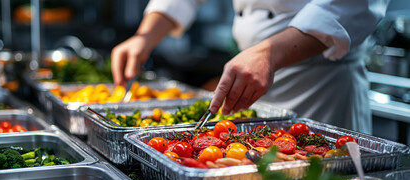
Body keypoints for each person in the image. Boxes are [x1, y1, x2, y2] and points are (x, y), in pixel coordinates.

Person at [112, 0, 390, 134]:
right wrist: (145, 36)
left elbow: (353, 4)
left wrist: (270, 52)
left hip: (320, 87)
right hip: (249, 76)